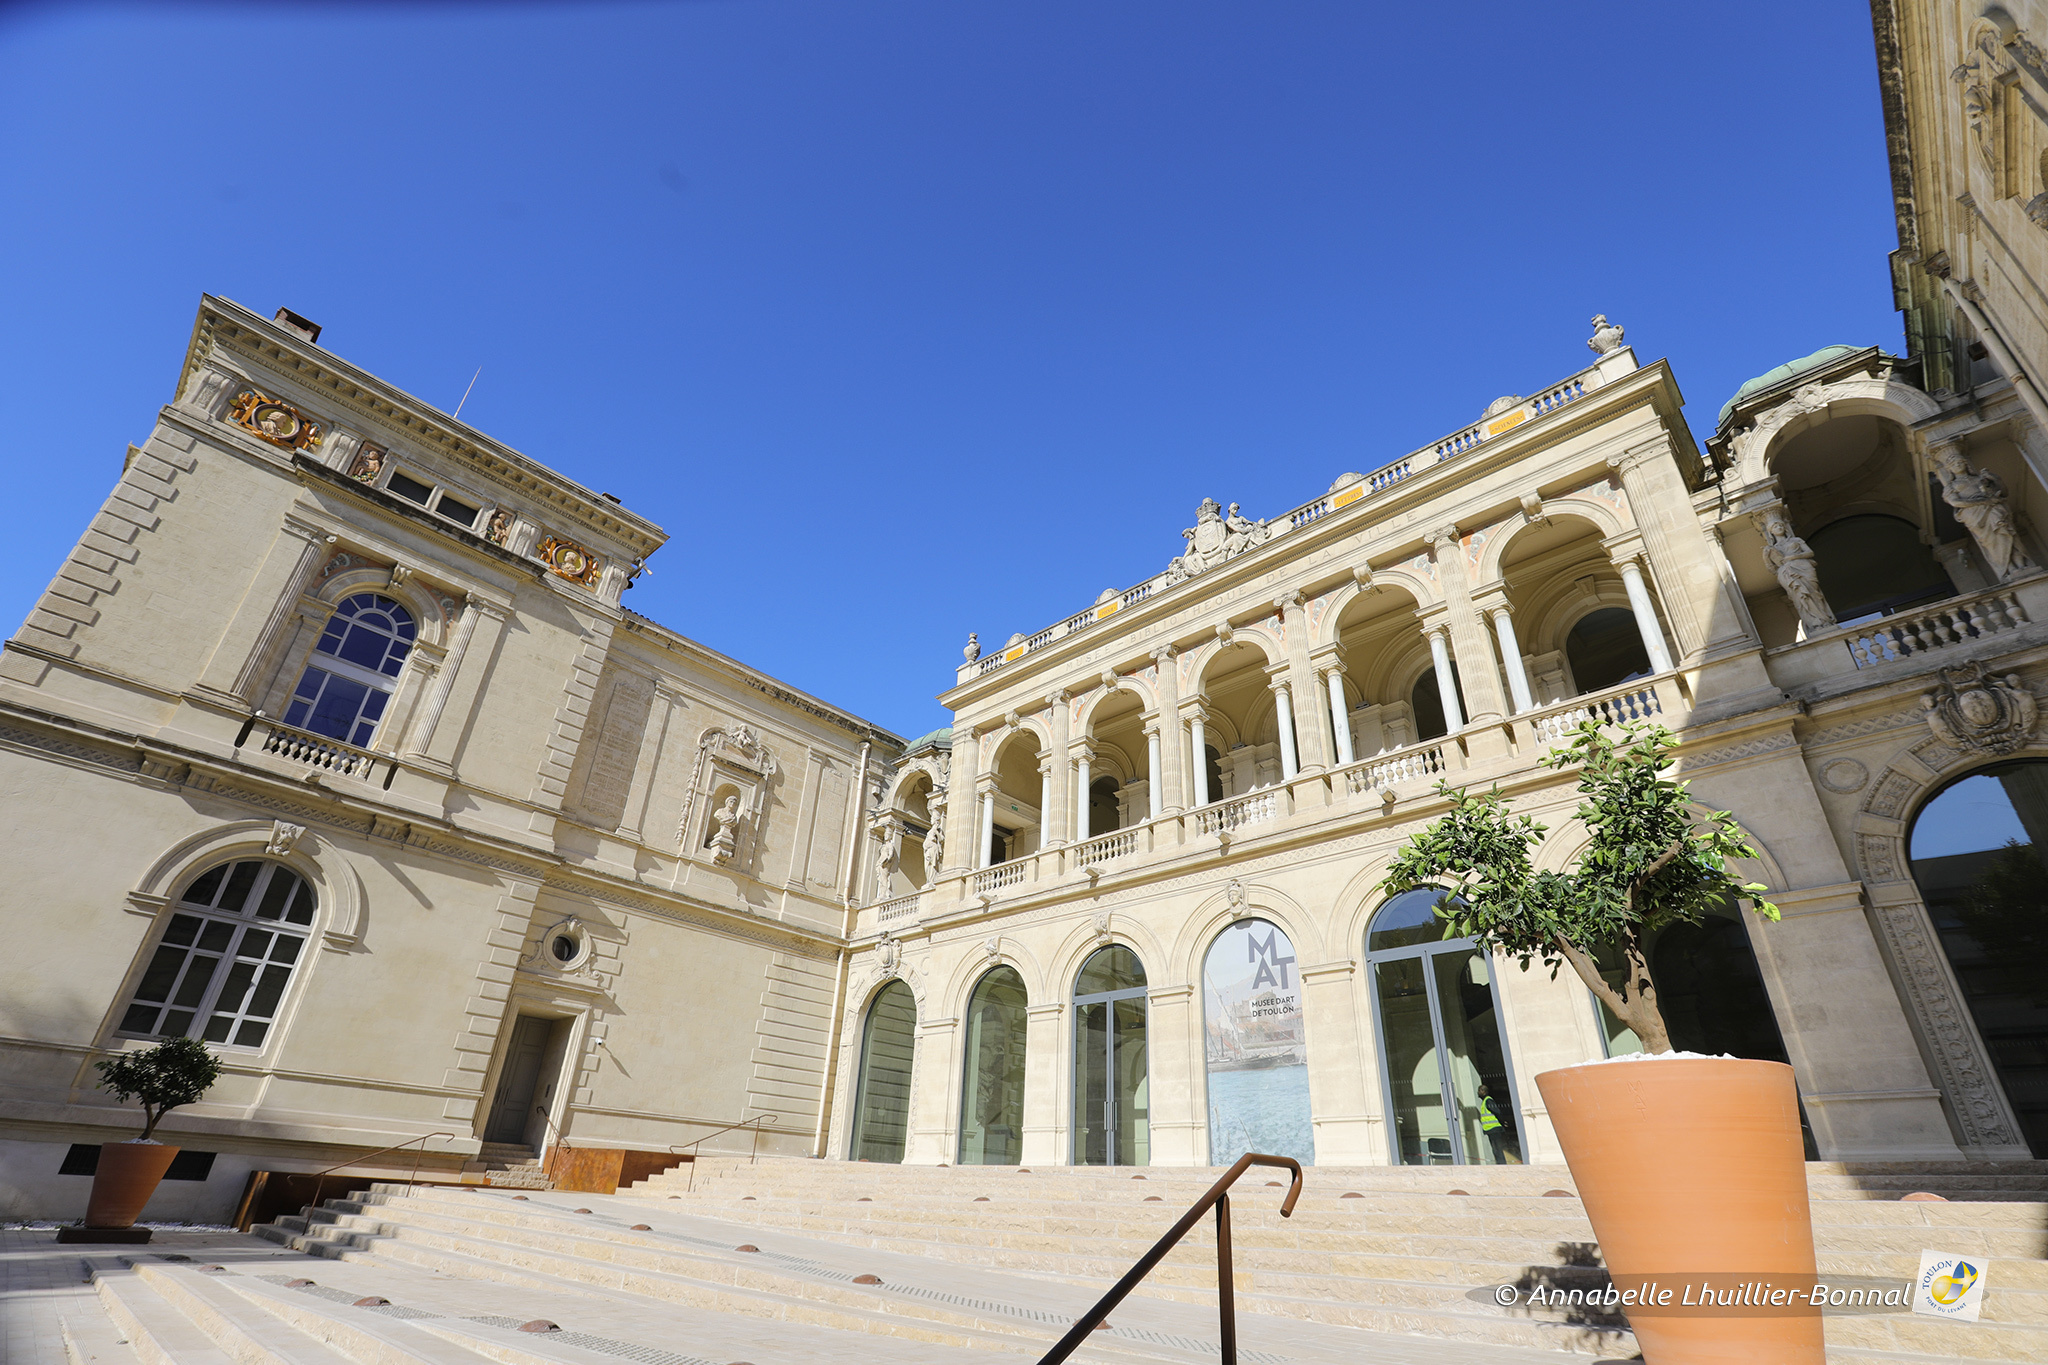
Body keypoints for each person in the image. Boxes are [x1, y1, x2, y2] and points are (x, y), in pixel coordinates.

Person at [1477, 1082, 1516, 1164]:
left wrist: (1502, 1122)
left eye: (1480, 1090)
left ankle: (1502, 1164)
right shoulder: (1484, 1102)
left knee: (1497, 1148)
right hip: (1490, 1129)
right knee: (1495, 1149)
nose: (1478, 1092)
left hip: (1494, 1128)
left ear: (1484, 1091)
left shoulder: (1488, 1101)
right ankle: (1500, 1164)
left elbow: (1497, 1112)